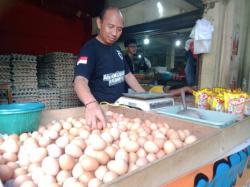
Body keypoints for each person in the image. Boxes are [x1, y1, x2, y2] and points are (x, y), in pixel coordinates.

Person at [74, 6, 145, 130]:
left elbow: (127, 75)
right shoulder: (90, 49)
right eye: (110, 27)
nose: (114, 33)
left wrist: (145, 96)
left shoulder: (116, 48)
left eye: (119, 29)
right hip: (101, 112)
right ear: (99, 23)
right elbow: (80, 80)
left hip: (119, 112)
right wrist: (91, 104)